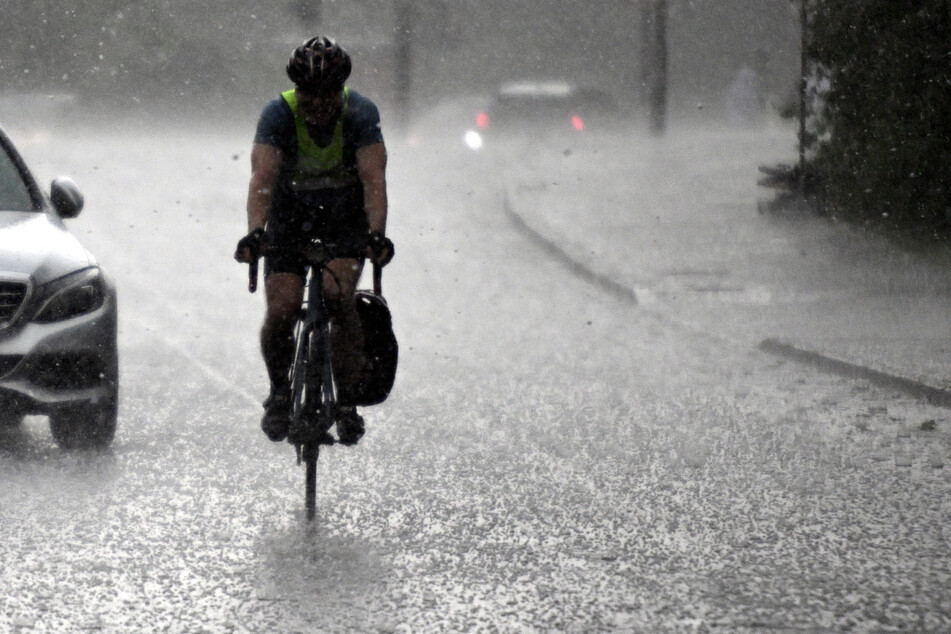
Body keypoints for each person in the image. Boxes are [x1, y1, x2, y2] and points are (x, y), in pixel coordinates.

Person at [234, 36, 393, 445]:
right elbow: (262, 180)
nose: (317, 105)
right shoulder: (278, 114)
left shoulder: (360, 114)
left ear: (340, 91)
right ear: (296, 90)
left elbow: (374, 181)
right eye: (308, 95)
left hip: (345, 220)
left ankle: (345, 401)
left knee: (337, 296)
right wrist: (255, 232)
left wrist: (376, 234)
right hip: (289, 220)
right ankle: (279, 392)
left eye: (326, 95)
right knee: (282, 309)